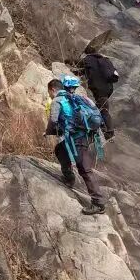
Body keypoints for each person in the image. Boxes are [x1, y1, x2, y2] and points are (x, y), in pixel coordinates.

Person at [45, 77, 105, 215]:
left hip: (77, 138)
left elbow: (53, 120)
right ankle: (69, 178)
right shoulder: (75, 98)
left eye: (49, 92)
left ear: (53, 90)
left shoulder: (57, 100)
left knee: (85, 169)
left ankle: (98, 203)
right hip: (82, 136)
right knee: (60, 149)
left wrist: (48, 132)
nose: (49, 95)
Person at [79, 48, 119, 141]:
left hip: (99, 89)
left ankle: (109, 132)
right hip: (107, 89)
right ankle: (104, 130)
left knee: (103, 110)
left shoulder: (88, 59)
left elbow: (79, 64)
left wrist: (68, 61)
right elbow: (89, 71)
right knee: (100, 107)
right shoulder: (104, 60)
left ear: (86, 53)